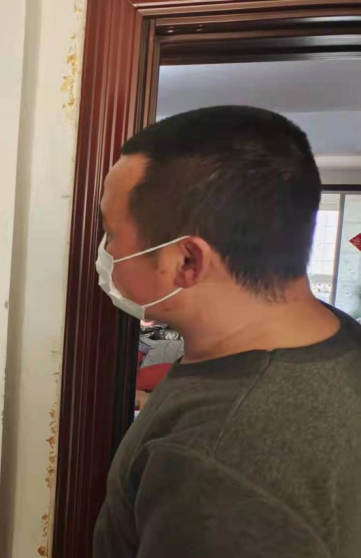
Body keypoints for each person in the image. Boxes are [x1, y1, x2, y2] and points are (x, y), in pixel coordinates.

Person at [93, 106, 361, 557]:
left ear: (186, 261)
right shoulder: (334, 337)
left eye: (111, 234)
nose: (106, 252)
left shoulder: (221, 465)